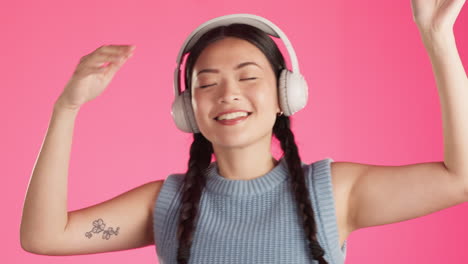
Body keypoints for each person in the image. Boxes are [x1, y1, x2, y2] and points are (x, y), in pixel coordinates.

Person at [20, 1, 468, 263]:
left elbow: (460, 178)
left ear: (285, 95)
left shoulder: (334, 191)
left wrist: (437, 39)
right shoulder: (166, 203)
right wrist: (67, 108)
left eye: (248, 76)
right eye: (208, 83)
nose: (228, 94)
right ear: (188, 111)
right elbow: (43, 237)